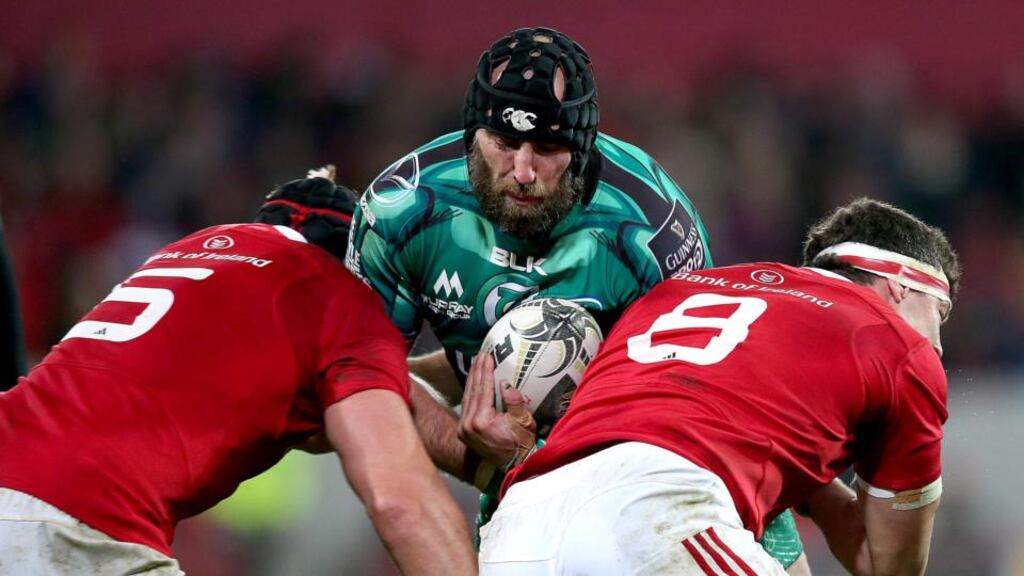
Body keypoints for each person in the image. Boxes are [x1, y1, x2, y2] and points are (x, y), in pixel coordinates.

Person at [344, 25, 808, 571]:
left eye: (546, 148)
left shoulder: (652, 229)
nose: (522, 171)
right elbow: (363, 385)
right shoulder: (399, 212)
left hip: (654, 463)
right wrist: (486, 461)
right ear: (472, 133)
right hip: (515, 488)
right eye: (502, 143)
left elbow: (704, 407)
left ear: (583, 149)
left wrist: (524, 459)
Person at [0, 169, 477, 576]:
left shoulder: (190, 252)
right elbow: (401, 502)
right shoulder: (336, 293)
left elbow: (352, 401)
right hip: (77, 523)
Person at [474, 197, 959, 575]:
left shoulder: (678, 289)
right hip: (657, 518)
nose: (937, 345)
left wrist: (809, 480)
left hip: (520, 524)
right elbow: (888, 564)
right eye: (939, 313)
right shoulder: (901, 348)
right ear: (901, 284)